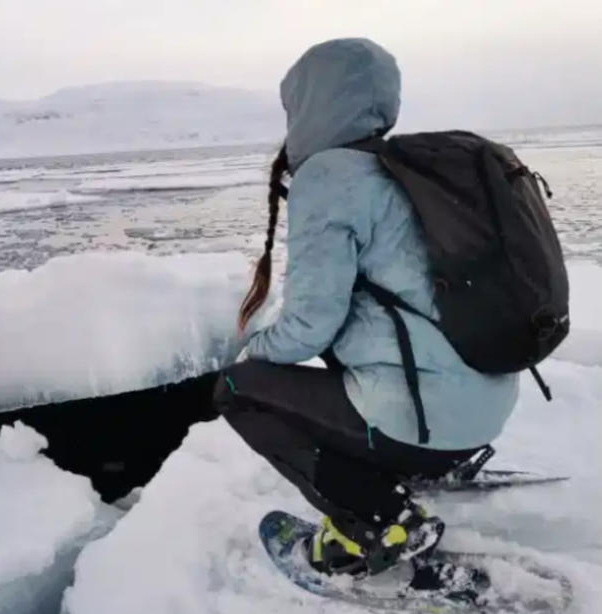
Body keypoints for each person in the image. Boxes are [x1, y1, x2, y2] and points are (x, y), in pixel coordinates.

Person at [213, 38, 519, 578]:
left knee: (238, 390)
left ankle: (381, 522)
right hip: (484, 411)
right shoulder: (410, 170)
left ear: (309, 104)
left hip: (426, 426)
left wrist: (246, 353)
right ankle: (432, 466)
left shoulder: (330, 179)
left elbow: (309, 327)